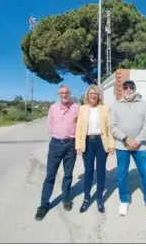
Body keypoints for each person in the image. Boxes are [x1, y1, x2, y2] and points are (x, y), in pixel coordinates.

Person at [109, 80, 146, 218]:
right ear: (122, 90)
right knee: (122, 174)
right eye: (126, 87)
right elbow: (112, 126)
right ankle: (124, 200)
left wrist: (137, 141)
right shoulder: (116, 106)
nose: (128, 89)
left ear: (135, 89)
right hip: (122, 146)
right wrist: (126, 139)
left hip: (140, 146)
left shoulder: (143, 105)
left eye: (131, 87)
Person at [35, 85, 79, 221]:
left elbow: (81, 125)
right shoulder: (53, 108)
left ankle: (66, 198)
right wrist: (57, 134)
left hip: (71, 145)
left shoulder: (77, 108)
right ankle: (43, 204)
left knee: (68, 174)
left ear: (70, 93)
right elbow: (49, 125)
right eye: (62, 93)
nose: (64, 95)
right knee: (50, 175)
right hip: (55, 144)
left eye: (66, 92)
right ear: (58, 94)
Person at [75, 85, 115, 213]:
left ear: (98, 96)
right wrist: (78, 146)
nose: (93, 96)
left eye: (95, 94)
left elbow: (110, 128)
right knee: (88, 171)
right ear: (87, 95)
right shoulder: (82, 109)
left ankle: (99, 198)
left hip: (101, 142)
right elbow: (79, 129)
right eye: (91, 93)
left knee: (101, 171)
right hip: (87, 142)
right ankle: (86, 198)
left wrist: (111, 145)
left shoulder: (105, 108)